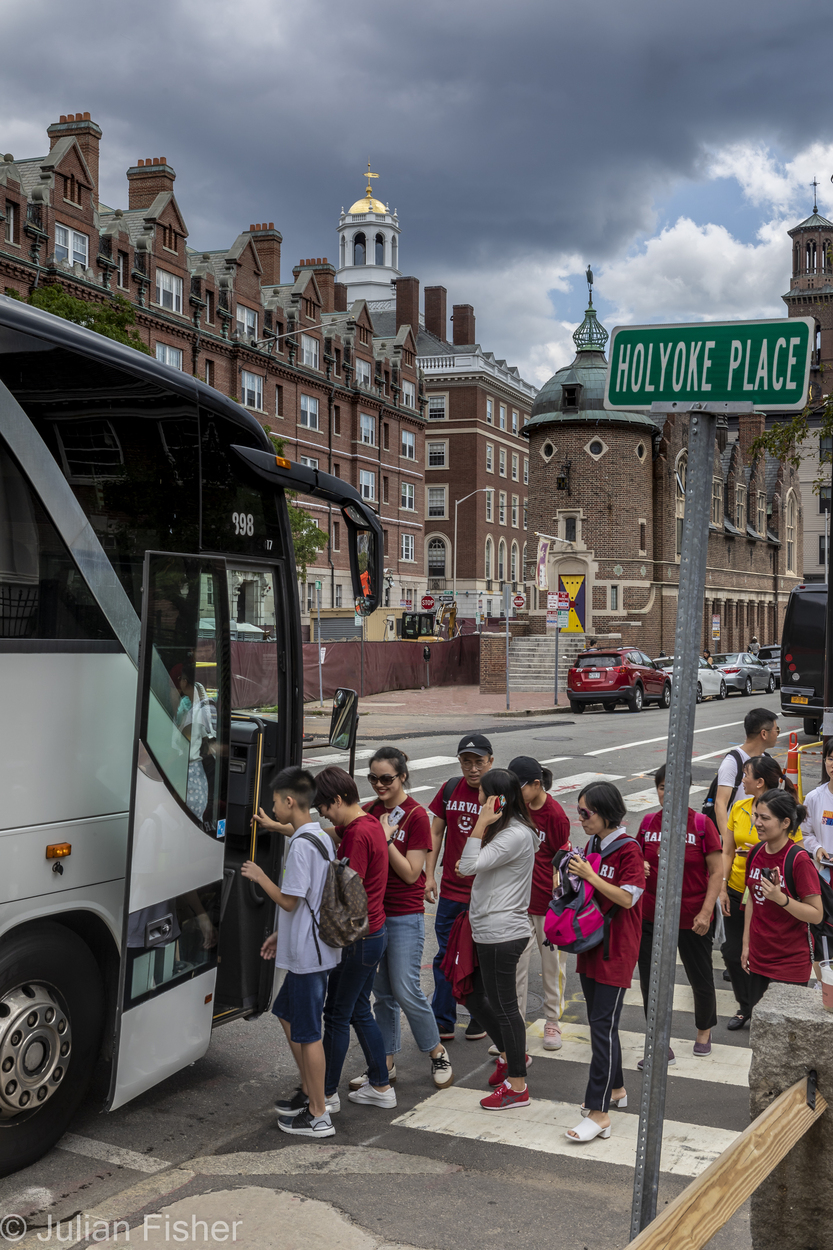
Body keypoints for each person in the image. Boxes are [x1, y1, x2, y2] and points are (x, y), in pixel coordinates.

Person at [242, 767, 340, 1139]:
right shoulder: (318, 836)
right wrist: (281, 936)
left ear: (288, 801)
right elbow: (310, 901)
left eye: (274, 802)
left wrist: (259, 876)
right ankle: (313, 1092)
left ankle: (319, 1113)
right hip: (311, 946)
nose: (272, 808)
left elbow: (289, 899)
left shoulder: (301, 845)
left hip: (309, 956)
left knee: (308, 1032)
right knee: (285, 1012)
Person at [352, 746, 453, 1091]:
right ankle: (385, 1062)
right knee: (382, 993)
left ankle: (437, 1051)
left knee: (406, 988)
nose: (379, 785)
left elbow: (412, 874)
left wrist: (386, 840)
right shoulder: (370, 811)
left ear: (402, 776)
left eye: (386, 779)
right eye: (373, 778)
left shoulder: (415, 816)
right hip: (375, 917)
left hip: (405, 915)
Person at [565, 782, 644, 1144]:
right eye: (579, 812)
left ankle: (599, 1113)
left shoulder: (629, 850)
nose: (580, 819)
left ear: (606, 812)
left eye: (586, 813)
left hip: (616, 949)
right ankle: (617, 1090)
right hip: (590, 944)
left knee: (601, 1027)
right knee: (603, 1026)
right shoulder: (593, 845)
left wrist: (591, 877)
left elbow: (628, 899)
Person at [313, 766, 396, 1109]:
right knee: (360, 1009)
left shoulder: (357, 835)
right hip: (374, 933)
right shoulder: (370, 823)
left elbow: (348, 889)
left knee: (335, 1014)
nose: (323, 815)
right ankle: (380, 1085)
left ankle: (327, 1094)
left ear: (336, 799)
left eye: (323, 808)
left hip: (357, 938)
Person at [458, 768, 538, 1111]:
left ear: (497, 800)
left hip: (502, 932)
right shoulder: (507, 830)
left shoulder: (514, 835)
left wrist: (480, 823)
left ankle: (517, 1085)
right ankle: (508, 1056)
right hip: (489, 929)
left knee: (505, 1008)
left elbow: (467, 865)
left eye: (483, 793)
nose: (477, 797)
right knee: (474, 996)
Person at [636, 764, 723, 1058]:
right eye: (661, 787)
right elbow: (635, 859)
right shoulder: (648, 824)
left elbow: (716, 871)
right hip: (651, 915)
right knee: (651, 979)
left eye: (672, 787)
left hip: (692, 916)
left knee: (699, 976)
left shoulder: (700, 825)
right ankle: (658, 1040)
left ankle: (704, 1030)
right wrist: (640, 866)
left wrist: (706, 911)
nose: (666, 792)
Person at [720, 754, 799, 1030]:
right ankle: (746, 1006)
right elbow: (727, 851)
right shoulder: (739, 808)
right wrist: (721, 887)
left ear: (760, 781)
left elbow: (793, 851)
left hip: (770, 897)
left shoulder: (785, 814)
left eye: (747, 775)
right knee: (733, 952)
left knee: (763, 955)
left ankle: (763, 1008)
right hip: (738, 888)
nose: (743, 780)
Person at [425, 734, 494, 1042]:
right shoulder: (450, 788)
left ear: (490, 762)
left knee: (480, 959)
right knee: (445, 955)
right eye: (466, 762)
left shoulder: (499, 796)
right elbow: (436, 831)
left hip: (484, 894)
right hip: (452, 892)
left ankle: (481, 1017)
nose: (473, 768)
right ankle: (443, 1018)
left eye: (479, 761)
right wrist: (429, 874)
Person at [510, 756, 570, 1050]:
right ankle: (514, 1024)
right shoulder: (515, 809)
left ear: (536, 785)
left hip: (548, 905)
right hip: (518, 903)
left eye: (518, 787)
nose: (514, 793)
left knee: (552, 966)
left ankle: (552, 1022)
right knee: (516, 966)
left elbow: (562, 860)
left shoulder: (556, 816)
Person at [742, 789, 822, 1009]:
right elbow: (751, 900)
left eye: (765, 818)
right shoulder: (755, 852)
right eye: (756, 815)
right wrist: (746, 944)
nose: (757, 822)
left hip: (790, 963)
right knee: (759, 1032)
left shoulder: (798, 860)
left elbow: (816, 914)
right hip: (758, 959)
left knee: (784, 1037)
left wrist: (781, 899)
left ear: (785, 822)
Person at [713, 708, 780, 851]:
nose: (777, 734)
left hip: (763, 841)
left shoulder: (767, 760)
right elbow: (720, 804)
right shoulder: (733, 762)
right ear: (764, 734)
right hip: (739, 840)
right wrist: (729, 844)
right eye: (776, 730)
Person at [798, 736, 833, 975]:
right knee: (823, 931)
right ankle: (824, 983)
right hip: (824, 876)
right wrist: (817, 848)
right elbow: (805, 833)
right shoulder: (814, 798)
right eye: (831, 758)